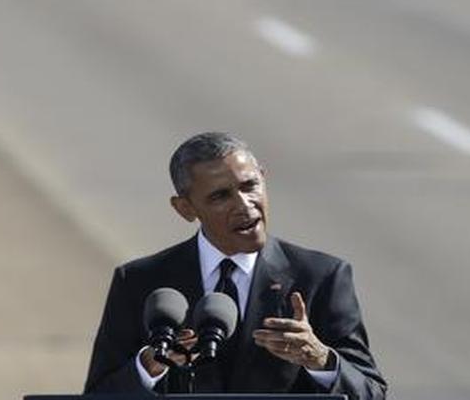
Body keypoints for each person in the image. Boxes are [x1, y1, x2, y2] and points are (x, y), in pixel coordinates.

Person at [84, 132, 387, 398]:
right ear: (185, 208)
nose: (244, 204)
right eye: (220, 196)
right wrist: (148, 367)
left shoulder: (321, 278)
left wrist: (321, 360)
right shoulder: (140, 281)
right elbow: (98, 394)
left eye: (249, 185)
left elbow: (371, 392)